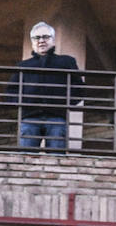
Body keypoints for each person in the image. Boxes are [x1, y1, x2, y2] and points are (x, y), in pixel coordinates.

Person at [6, 21, 84, 152]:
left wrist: (63, 104)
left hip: (57, 116)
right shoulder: (23, 66)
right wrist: (24, 104)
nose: (41, 40)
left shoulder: (66, 62)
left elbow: (79, 88)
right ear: (32, 41)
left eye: (45, 37)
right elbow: (11, 92)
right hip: (30, 117)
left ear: (53, 40)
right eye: (37, 38)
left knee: (56, 158)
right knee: (25, 159)